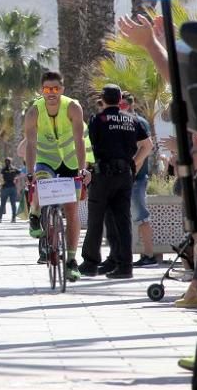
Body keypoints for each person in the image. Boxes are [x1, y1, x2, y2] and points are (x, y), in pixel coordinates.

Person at [77, 85, 152, 279]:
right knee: (121, 220)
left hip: (103, 174)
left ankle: (90, 262)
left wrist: (86, 170)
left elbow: (90, 147)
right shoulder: (132, 119)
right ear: (120, 99)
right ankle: (124, 266)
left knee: (96, 219)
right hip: (125, 174)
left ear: (103, 99)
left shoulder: (98, 119)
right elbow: (148, 145)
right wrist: (134, 163)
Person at [22, 70, 89, 277]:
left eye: (56, 89)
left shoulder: (73, 107)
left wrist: (82, 168)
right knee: (41, 180)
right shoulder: (34, 112)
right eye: (47, 89)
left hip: (69, 161)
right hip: (46, 159)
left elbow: (79, 141)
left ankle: (70, 260)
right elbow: (31, 145)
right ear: (41, 91)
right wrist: (30, 172)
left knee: (72, 210)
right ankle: (34, 214)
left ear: (62, 89)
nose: (51, 93)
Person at [122, 92, 157, 269]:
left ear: (131, 104)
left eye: (123, 105)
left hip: (137, 178)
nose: (120, 108)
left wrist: (132, 167)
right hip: (127, 177)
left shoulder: (139, 123)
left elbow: (145, 149)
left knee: (141, 216)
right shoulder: (122, 122)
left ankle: (149, 255)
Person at [0, 158, 18, 223]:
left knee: (2, 204)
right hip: (12, 187)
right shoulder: (14, 169)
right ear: (11, 162)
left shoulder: (3, 169)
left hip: (5, 188)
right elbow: (21, 174)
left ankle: (0, 219)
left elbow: (0, 177)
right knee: (13, 204)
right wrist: (16, 179)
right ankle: (13, 218)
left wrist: (1, 184)